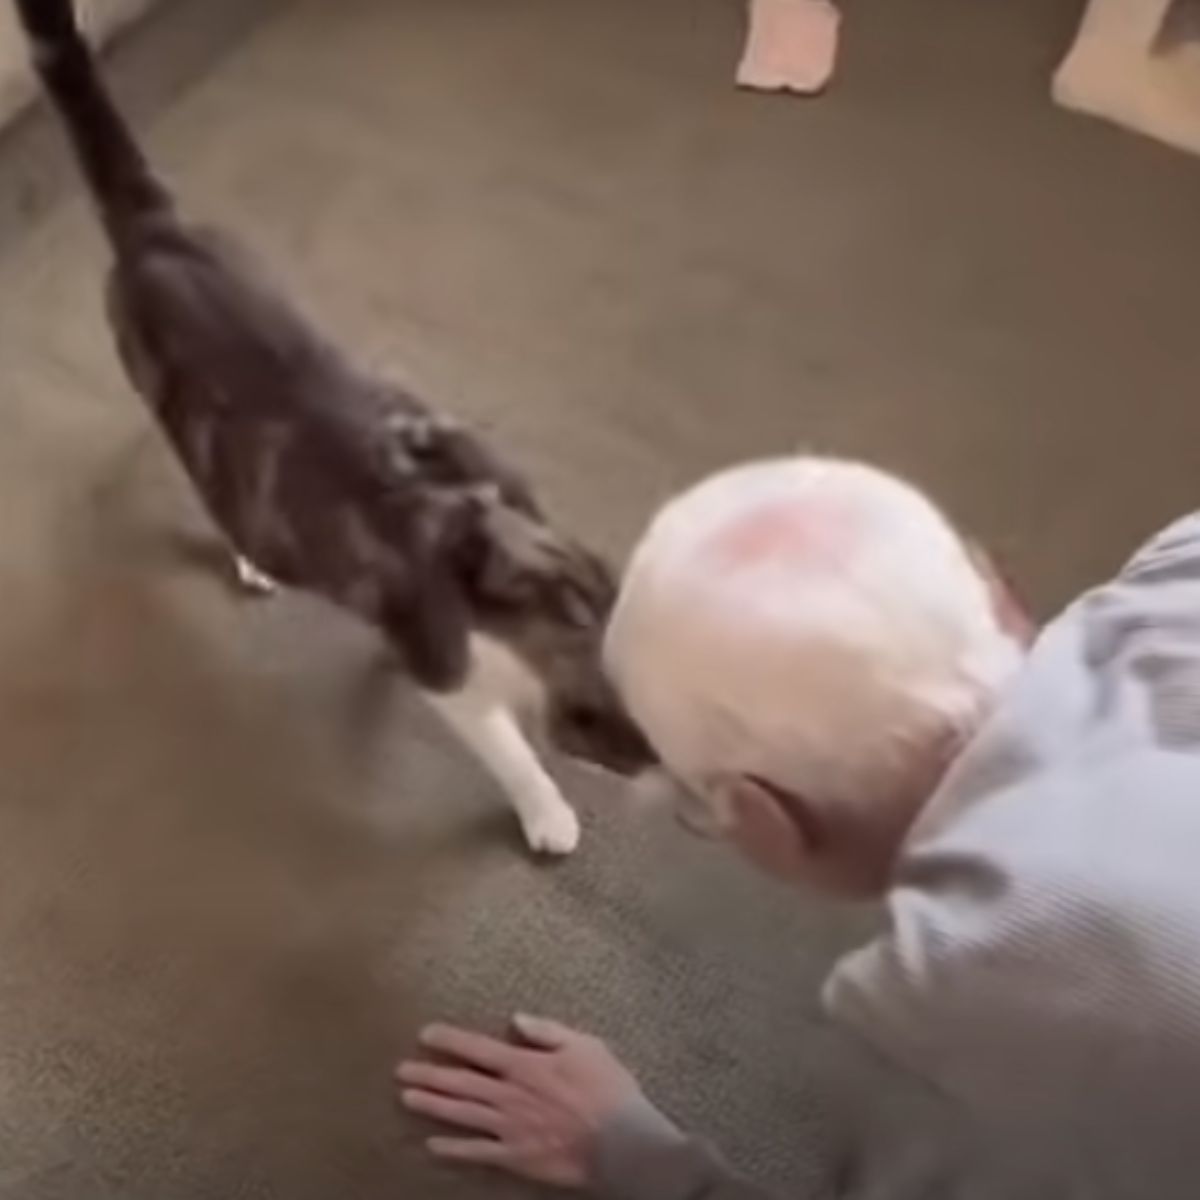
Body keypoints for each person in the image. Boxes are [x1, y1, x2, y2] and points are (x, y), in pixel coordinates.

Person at [397, 457, 1200, 1198]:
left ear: (764, 818)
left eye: (697, 801)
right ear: (998, 596)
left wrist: (634, 1156)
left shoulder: (946, 1024)